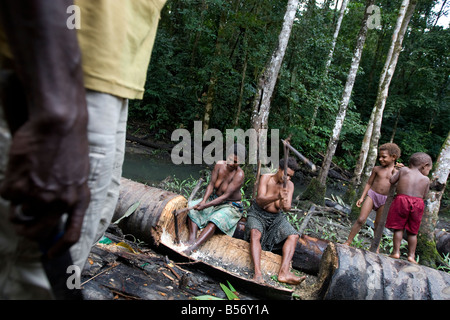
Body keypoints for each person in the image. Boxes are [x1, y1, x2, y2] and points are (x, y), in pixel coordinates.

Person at [0, 0, 167, 299]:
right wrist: (58, 109)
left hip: (107, 79)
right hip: (58, 68)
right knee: (32, 277)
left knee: (79, 243)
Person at [246, 157, 305, 285]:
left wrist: (284, 203)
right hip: (258, 213)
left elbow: (286, 207)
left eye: (290, 176)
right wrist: (276, 196)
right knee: (255, 233)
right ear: (279, 169)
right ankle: (257, 273)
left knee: (294, 235)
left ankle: (283, 273)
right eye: (286, 175)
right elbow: (260, 200)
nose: (288, 178)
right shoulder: (266, 178)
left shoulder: (289, 185)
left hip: (276, 218)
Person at [184, 144, 245, 255]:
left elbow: (225, 196)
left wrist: (205, 205)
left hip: (230, 205)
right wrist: (203, 201)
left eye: (235, 162)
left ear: (241, 162)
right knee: (192, 208)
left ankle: (194, 247)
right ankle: (191, 239)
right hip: (214, 199)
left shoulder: (239, 175)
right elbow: (211, 184)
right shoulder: (219, 165)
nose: (231, 163)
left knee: (215, 219)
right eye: (230, 159)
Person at [344, 143, 402, 249]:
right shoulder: (377, 169)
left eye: (384, 157)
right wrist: (362, 197)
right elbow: (369, 183)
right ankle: (348, 241)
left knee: (378, 225)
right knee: (361, 219)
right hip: (372, 195)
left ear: (393, 157)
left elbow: (399, 188)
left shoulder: (398, 172)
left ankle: (375, 248)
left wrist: (398, 171)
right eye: (380, 156)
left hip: (385, 200)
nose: (380, 159)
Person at [385, 152, 432, 264]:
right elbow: (424, 195)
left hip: (401, 200)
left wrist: (395, 171)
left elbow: (392, 180)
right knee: (412, 232)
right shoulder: (426, 179)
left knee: (399, 228)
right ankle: (411, 256)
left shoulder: (404, 170)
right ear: (424, 166)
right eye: (429, 169)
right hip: (418, 203)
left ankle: (396, 252)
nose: (428, 171)